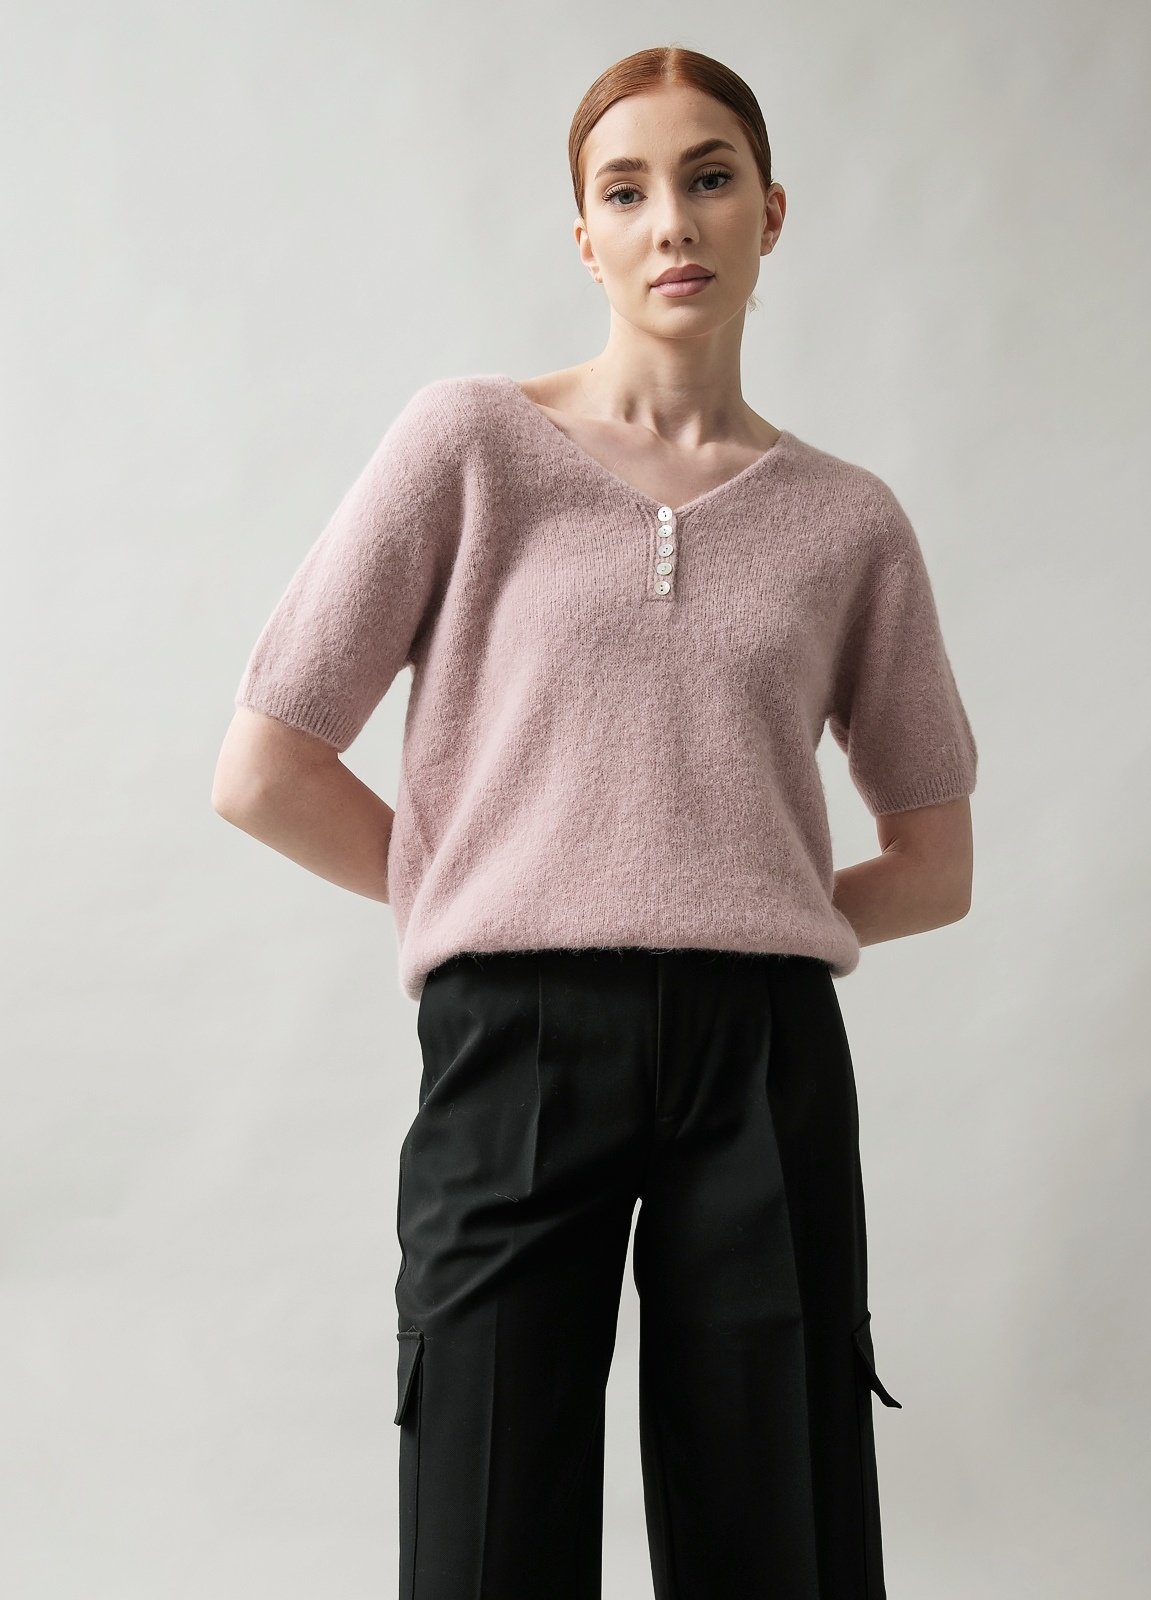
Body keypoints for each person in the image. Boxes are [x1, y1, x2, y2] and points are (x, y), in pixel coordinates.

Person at [212, 43, 978, 1600]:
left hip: (761, 1052)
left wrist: (759, 907)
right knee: (486, 1528)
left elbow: (936, 862)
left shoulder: (849, 523)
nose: (670, 220)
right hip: (516, 1043)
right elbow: (265, 766)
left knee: (782, 1535)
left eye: (708, 179)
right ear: (584, 237)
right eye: (625, 191)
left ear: (770, 212)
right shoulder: (468, 446)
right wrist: (484, 888)